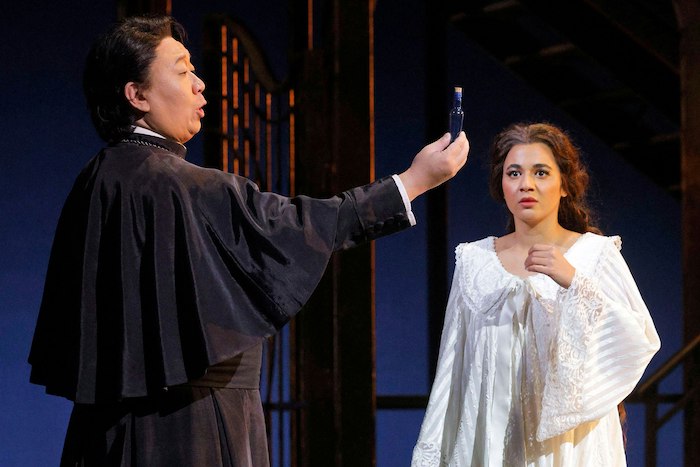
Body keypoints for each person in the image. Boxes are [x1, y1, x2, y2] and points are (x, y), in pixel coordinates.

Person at [27, 15, 469, 467]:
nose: (200, 84)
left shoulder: (94, 182)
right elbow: (307, 224)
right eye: (182, 71)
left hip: (104, 436)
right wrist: (414, 181)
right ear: (136, 95)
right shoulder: (184, 186)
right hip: (194, 428)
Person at [411, 122, 660, 466]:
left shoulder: (596, 256)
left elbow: (638, 340)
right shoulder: (474, 261)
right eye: (514, 173)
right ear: (501, 185)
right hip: (493, 443)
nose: (526, 184)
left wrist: (574, 282)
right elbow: (454, 366)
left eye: (541, 172)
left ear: (564, 185)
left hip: (570, 447)